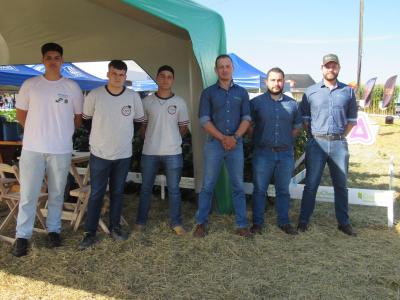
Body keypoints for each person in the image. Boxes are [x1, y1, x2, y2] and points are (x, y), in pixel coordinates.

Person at [13, 42, 83, 257]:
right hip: (33, 149)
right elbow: (21, 115)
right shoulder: (30, 84)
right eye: (49, 57)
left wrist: (59, 133)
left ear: (62, 61)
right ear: (43, 60)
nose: (53, 61)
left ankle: (53, 230)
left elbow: (77, 119)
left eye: (57, 58)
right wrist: (38, 132)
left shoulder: (72, 87)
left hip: (60, 150)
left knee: (56, 193)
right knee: (28, 195)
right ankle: (22, 236)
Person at [79, 60, 144, 250]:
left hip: (123, 153)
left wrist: (121, 137)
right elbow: (86, 121)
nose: (118, 77)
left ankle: (115, 227)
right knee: (97, 193)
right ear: (108, 74)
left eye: (121, 74)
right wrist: (102, 136)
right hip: (99, 153)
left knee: (117, 192)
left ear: (125, 76)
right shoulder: (95, 95)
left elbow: (138, 122)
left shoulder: (133, 97)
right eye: (114, 74)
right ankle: (89, 232)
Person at [298, 54, 358, 236]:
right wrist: (316, 137)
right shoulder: (310, 92)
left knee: (341, 185)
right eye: (327, 66)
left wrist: (339, 137)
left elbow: (351, 121)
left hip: (339, 144)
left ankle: (343, 222)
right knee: (311, 184)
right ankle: (303, 221)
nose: (330, 69)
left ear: (338, 68)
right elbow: (305, 120)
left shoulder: (348, 92)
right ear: (322, 68)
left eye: (334, 66)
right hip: (316, 143)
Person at [193, 54, 251, 238]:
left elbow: (246, 118)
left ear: (232, 68)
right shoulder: (208, 93)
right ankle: (201, 223)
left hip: (236, 144)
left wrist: (234, 138)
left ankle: (241, 225)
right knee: (208, 185)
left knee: (238, 186)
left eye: (227, 66)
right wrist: (223, 138)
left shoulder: (242, 92)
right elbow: (204, 119)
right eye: (221, 67)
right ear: (216, 70)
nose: (224, 69)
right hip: (214, 145)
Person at [134, 65, 190, 235]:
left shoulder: (179, 102)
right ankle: (141, 222)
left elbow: (183, 128)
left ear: (173, 80)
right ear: (157, 78)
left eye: (169, 77)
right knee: (145, 188)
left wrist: (171, 139)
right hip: (149, 152)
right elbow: (142, 127)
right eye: (162, 76)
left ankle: (176, 223)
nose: (165, 80)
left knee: (174, 189)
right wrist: (152, 138)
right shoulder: (146, 101)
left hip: (173, 153)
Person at [249, 67, 302, 235]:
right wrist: (260, 139)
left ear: (283, 82)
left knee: (283, 190)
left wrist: (285, 141)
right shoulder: (256, 103)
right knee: (259, 190)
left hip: (285, 154)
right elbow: (248, 125)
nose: (276, 83)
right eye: (272, 80)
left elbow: (297, 127)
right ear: (266, 82)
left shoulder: (292, 104)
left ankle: (284, 222)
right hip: (263, 153)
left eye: (279, 80)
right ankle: (257, 223)